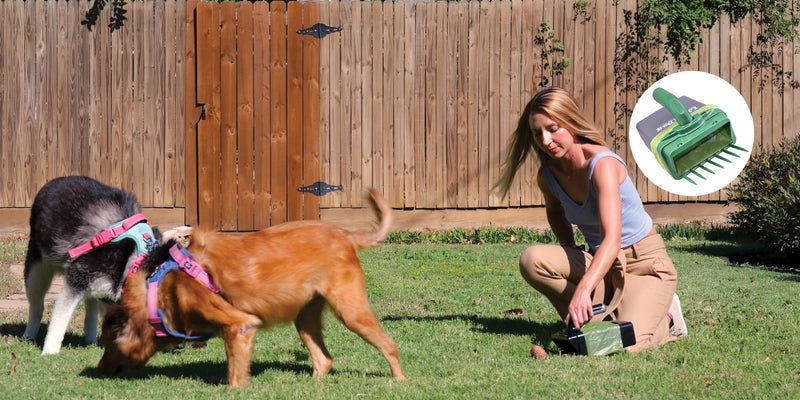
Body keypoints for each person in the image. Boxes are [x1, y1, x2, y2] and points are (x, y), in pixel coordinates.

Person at [494, 87, 687, 352]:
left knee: (625, 345)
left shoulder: (603, 164)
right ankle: (599, 314)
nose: (546, 140)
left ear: (571, 122)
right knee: (533, 260)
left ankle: (666, 317)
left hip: (643, 262)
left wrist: (584, 289)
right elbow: (555, 211)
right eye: (537, 133)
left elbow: (612, 239)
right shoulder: (548, 174)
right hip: (602, 263)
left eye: (553, 128)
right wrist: (569, 246)